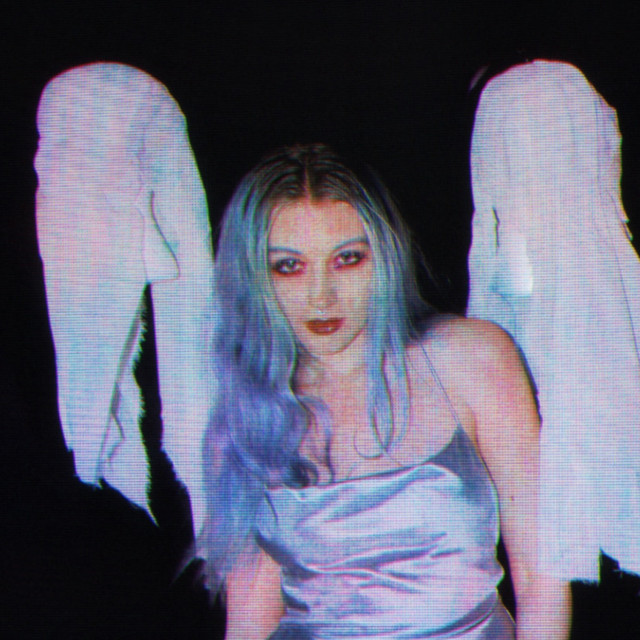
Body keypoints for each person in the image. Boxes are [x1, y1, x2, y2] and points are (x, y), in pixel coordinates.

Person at [199, 144, 571, 639]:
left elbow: (542, 575)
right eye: (289, 266)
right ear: (253, 276)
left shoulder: (473, 358)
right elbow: (249, 616)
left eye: (347, 259)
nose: (321, 296)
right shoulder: (245, 416)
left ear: (386, 255)